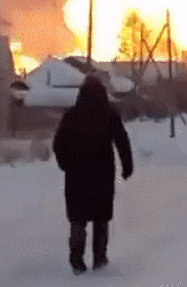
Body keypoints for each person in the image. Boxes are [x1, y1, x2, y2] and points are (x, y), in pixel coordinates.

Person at [53, 74, 133, 275]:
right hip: (102, 175)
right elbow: (121, 140)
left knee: (78, 219)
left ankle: (76, 260)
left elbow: (58, 143)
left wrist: (65, 163)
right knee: (100, 218)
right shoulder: (109, 114)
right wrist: (127, 165)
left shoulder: (71, 115)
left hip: (76, 175)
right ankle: (99, 257)